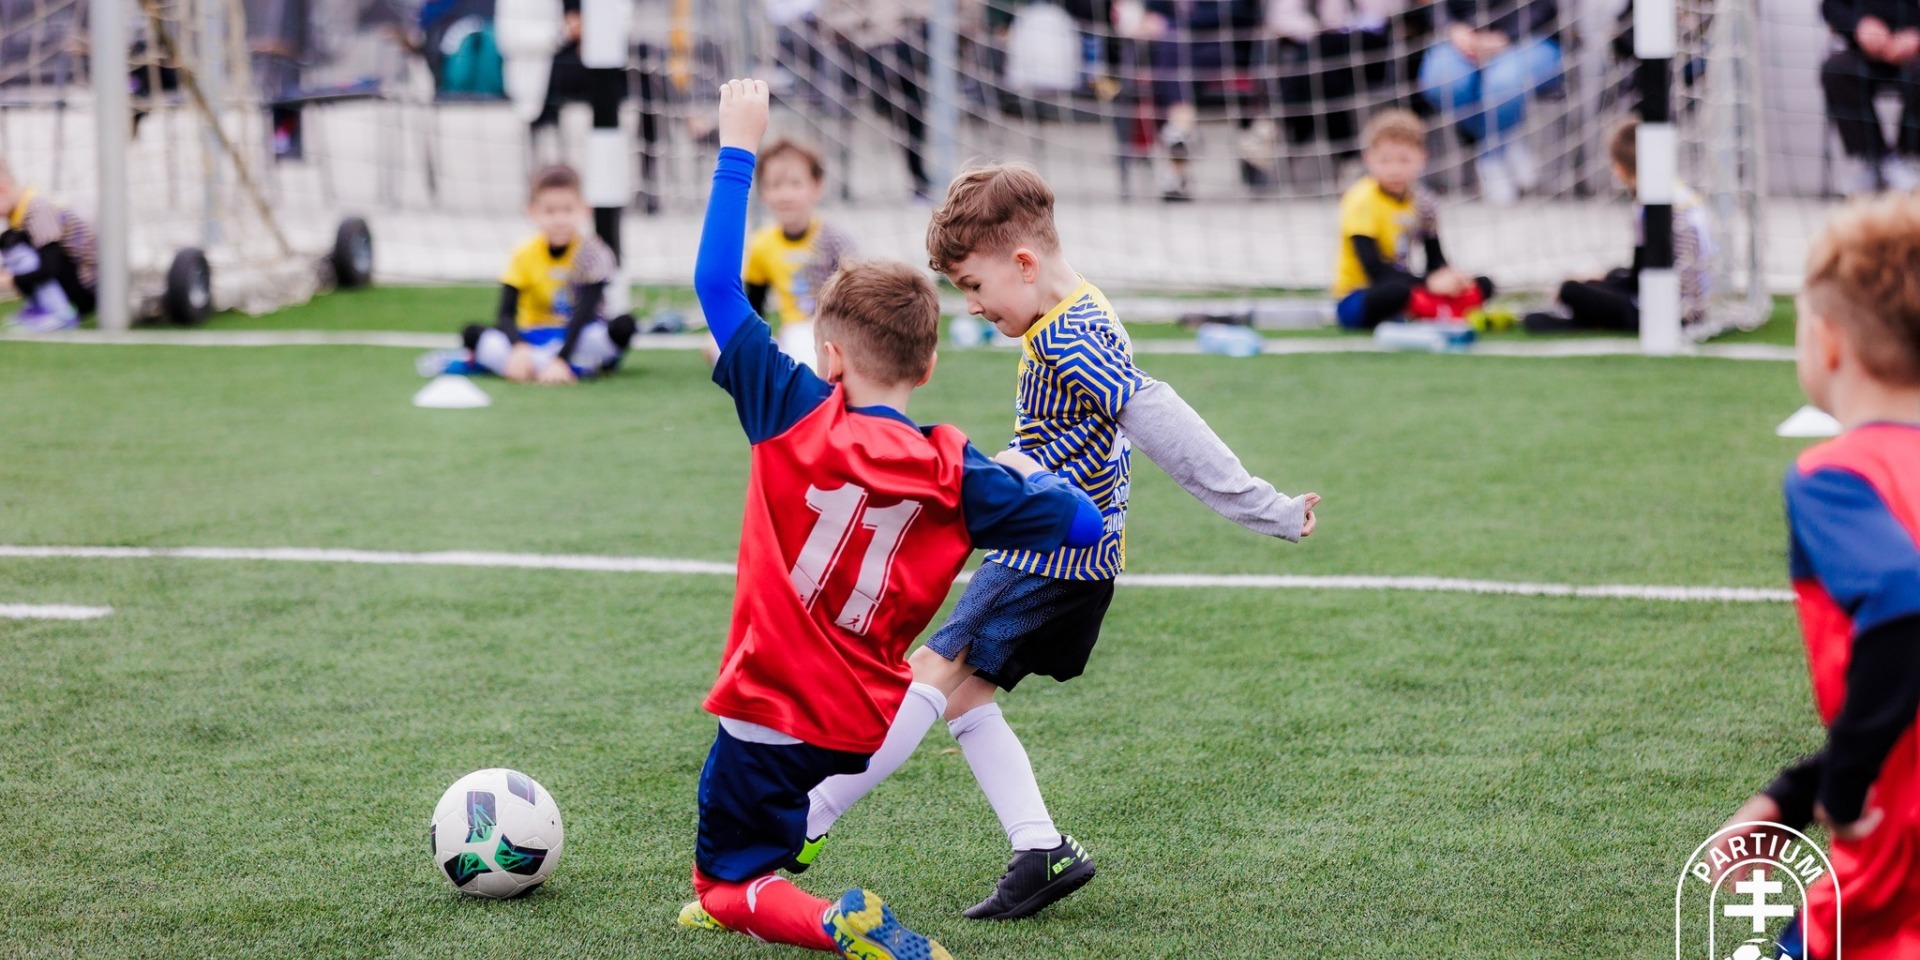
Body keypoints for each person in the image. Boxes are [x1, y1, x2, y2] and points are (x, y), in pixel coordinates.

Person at [800, 160, 1322, 921]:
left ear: (1022, 262)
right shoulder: (1072, 307)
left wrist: (1263, 506)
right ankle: (1040, 849)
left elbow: (1157, 415)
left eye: (974, 286)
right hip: (1070, 555)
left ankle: (806, 821)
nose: (972, 306)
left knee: (930, 671)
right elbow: (1057, 444)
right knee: (968, 694)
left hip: (1049, 557)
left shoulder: (1070, 339)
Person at [680, 78, 1106, 958]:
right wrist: (1037, 469)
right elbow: (1078, 527)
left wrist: (738, 143)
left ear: (829, 356)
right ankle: (781, 865)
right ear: (932, 360)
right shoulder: (956, 470)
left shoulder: (791, 405)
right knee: (771, 835)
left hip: (767, 706)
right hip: (859, 722)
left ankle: (831, 921)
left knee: (722, 888)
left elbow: (716, 284)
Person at [1714, 192, 1920, 960]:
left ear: (1828, 343)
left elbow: (1906, 603)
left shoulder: (1836, 477)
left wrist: (1843, 788)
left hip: (1896, 842)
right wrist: (1795, 792)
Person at [1523, 118, 1712, 334]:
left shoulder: (1650, 203)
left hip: (1665, 311)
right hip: (1696, 306)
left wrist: (1594, 283)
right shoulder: (1680, 192)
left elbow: (1638, 281)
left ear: (1620, 167)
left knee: (1570, 290)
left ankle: (1580, 320)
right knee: (1606, 277)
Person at [450, 164, 635, 384]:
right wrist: (518, 348)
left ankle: (551, 366)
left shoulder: (593, 253)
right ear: (533, 212)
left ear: (584, 210)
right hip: (532, 338)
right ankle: (568, 366)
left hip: (577, 336)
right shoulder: (523, 254)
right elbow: (505, 315)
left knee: (625, 326)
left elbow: (582, 315)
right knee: (472, 333)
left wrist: (561, 359)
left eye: (568, 210)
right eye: (550, 211)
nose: (559, 220)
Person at [1332, 109, 1493, 330]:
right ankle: (1433, 311)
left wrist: (1451, 278)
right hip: (1361, 296)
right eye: (1385, 160)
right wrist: (1428, 282)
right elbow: (1374, 270)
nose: (1394, 169)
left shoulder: (1424, 202)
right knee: (1396, 292)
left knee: (1483, 284)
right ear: (1368, 158)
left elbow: (1435, 258)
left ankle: (1430, 310)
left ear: (1422, 158)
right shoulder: (1361, 199)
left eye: (1404, 160)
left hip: (1407, 286)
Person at [1416, 0, 1561, 204]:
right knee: (1444, 81)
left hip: (1531, 36)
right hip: (1459, 40)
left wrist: (1504, 38)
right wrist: (1454, 29)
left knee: (1503, 83)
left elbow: (1545, 8)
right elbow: (1435, 7)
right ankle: (1505, 137)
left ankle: (1490, 158)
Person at [744, 138, 858, 369]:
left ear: (817, 187)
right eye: (775, 185)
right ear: (763, 192)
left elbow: (858, 299)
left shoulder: (834, 240)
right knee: (717, 345)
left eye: (795, 184)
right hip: (792, 333)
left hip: (833, 333)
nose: (785, 195)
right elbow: (754, 307)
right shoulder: (762, 244)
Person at [1821, 0, 1920, 194]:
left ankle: (1904, 158)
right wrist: (1858, 25)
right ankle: (1878, 159)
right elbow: (1830, 6)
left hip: (1913, 54)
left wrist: (1917, 35)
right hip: (1862, 51)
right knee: (1835, 69)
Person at [0, 159, 97, 333]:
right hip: (75, 280)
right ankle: (41, 308)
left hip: (87, 287)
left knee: (16, 248)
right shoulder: (22, 213)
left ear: (2, 188)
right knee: (10, 242)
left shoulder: (38, 210)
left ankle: (59, 314)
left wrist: (12, 279)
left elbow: (50, 266)